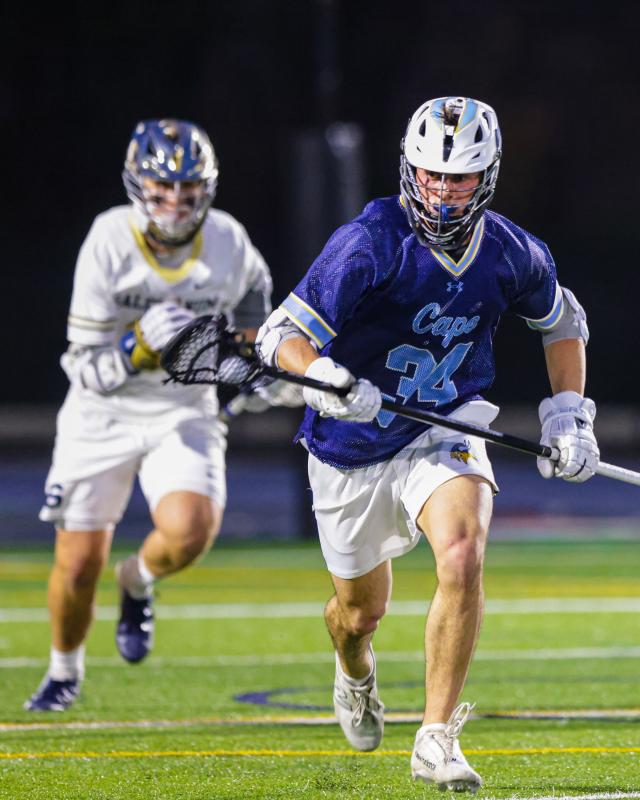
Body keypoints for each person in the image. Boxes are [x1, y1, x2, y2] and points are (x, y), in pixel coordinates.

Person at [256, 96, 599, 791]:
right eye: (432, 175)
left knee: (463, 550)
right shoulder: (370, 241)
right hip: (350, 443)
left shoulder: (510, 251)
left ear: (489, 177)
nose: (443, 191)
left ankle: (437, 738)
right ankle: (354, 671)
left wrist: (568, 415)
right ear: (410, 170)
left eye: (461, 178)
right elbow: (278, 338)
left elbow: (564, 322)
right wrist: (324, 374)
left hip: (446, 422)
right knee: (359, 615)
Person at [25, 118, 294, 712]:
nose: (175, 204)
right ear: (136, 187)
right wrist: (137, 345)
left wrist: (258, 368)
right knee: (76, 566)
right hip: (102, 410)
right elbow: (85, 368)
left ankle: (137, 581)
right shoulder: (107, 241)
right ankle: (63, 669)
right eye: (162, 190)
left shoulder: (229, 242)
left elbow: (255, 330)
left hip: (182, 403)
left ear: (208, 190)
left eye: (188, 191)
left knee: (192, 531)